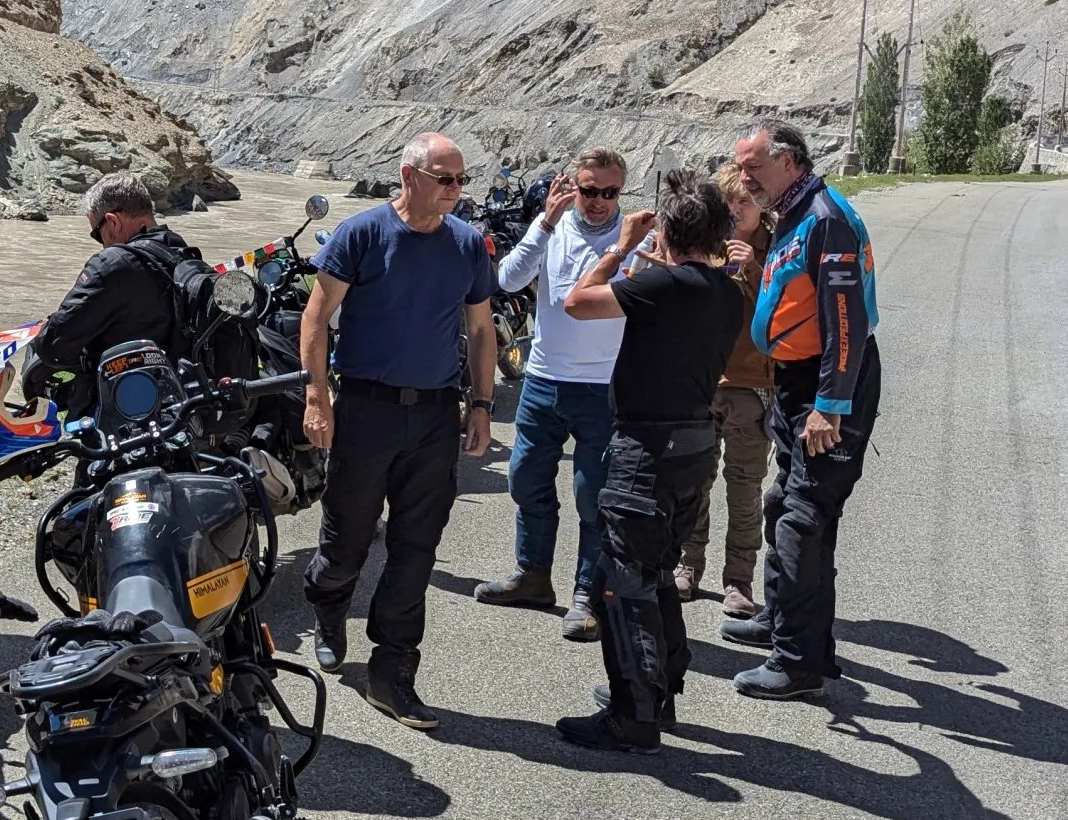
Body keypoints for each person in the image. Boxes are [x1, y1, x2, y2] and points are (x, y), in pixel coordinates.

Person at [299, 132, 498, 732]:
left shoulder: (468, 245)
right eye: (446, 178)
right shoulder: (361, 233)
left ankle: (393, 671)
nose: (457, 190)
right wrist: (317, 394)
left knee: (416, 548)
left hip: (435, 416)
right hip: (365, 410)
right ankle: (328, 609)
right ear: (409, 176)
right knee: (346, 542)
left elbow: (483, 330)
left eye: (462, 179)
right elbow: (316, 316)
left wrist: (482, 405)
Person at [552, 169, 743, 751]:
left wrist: (621, 247)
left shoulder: (668, 285)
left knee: (623, 581)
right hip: (692, 446)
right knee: (657, 572)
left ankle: (633, 715)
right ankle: (661, 689)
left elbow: (576, 302)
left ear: (671, 233)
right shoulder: (727, 289)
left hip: (647, 452)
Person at [722, 118, 881, 701]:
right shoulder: (792, 209)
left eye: (752, 166)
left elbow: (846, 319)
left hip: (826, 386)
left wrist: (829, 405)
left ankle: (799, 661)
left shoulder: (825, 218)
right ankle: (784, 620)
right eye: (741, 166)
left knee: (803, 519)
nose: (744, 177)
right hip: (795, 378)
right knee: (782, 502)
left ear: (788, 161)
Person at [475, 147, 629, 641]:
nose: (599, 201)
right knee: (524, 479)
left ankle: (588, 594)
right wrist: (543, 224)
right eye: (590, 190)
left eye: (609, 192)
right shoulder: (553, 227)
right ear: (575, 186)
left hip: (604, 388)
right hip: (542, 380)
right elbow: (508, 279)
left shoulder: (634, 241)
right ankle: (533, 576)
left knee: (593, 494)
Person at [681, 163, 774, 615]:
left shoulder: (777, 246)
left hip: (751, 384)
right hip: (702, 380)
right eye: (730, 202)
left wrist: (753, 267)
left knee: (744, 487)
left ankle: (739, 580)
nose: (737, 210)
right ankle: (688, 565)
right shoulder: (706, 246)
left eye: (746, 201)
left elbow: (781, 314)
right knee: (694, 480)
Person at [29, 174, 202, 414]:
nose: (99, 242)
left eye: (96, 233)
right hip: (179, 403)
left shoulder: (112, 263)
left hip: (124, 414)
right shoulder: (182, 253)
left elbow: (54, 344)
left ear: (112, 222)